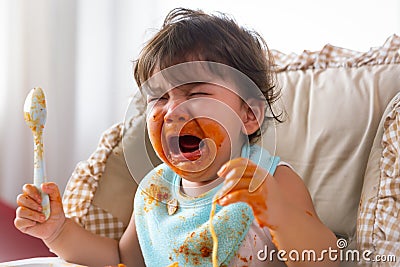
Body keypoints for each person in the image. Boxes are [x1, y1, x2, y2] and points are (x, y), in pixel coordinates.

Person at [14, 8, 339, 267]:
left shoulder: (271, 182)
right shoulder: (155, 191)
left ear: (249, 116)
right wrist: (58, 231)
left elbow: (325, 260)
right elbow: (121, 258)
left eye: (196, 93)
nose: (172, 112)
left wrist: (279, 214)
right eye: (159, 98)